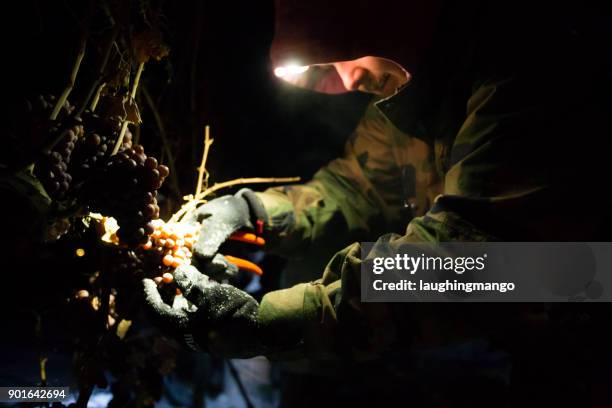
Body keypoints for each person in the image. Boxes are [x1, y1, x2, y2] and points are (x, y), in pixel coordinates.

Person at [143, 0, 611, 391]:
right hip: (536, 342)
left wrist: (272, 322)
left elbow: (471, 265)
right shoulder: (415, 94)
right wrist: (260, 211)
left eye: (349, 52)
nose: (347, 81)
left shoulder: (523, 75)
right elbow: (358, 187)